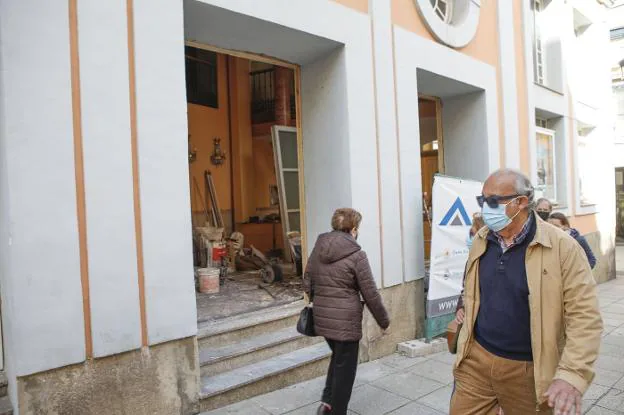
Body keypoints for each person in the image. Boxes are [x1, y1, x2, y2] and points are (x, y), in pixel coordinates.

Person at [451, 169, 602, 415]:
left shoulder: (563, 247)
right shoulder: (481, 238)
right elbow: (472, 286)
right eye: (482, 200)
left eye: (492, 201)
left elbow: (585, 316)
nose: (484, 208)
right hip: (476, 360)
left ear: (520, 202)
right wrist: (463, 308)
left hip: (529, 370)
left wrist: (572, 374)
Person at [303, 208, 390, 415]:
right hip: (346, 323)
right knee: (346, 370)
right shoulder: (357, 255)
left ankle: (327, 403)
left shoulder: (318, 247)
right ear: (352, 229)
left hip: (323, 320)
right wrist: (384, 321)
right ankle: (336, 410)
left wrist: (321, 301)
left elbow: (307, 282)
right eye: (357, 228)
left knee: (338, 358)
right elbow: (370, 294)